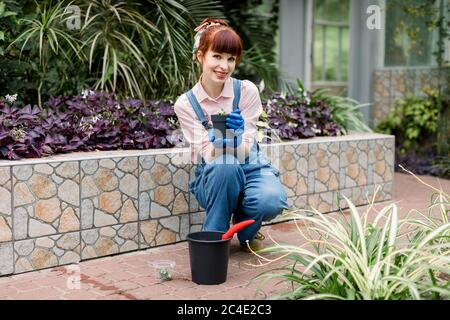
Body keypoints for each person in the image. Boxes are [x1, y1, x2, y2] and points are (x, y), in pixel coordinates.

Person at [174, 18, 288, 252]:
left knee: (271, 200)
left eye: (231, 59)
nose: (224, 66)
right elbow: (208, 155)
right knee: (224, 165)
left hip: (251, 166)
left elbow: (245, 149)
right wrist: (218, 143)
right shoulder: (186, 104)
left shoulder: (246, 91)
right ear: (200, 56)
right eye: (217, 56)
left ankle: (246, 230)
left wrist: (235, 138)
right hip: (215, 174)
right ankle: (213, 240)